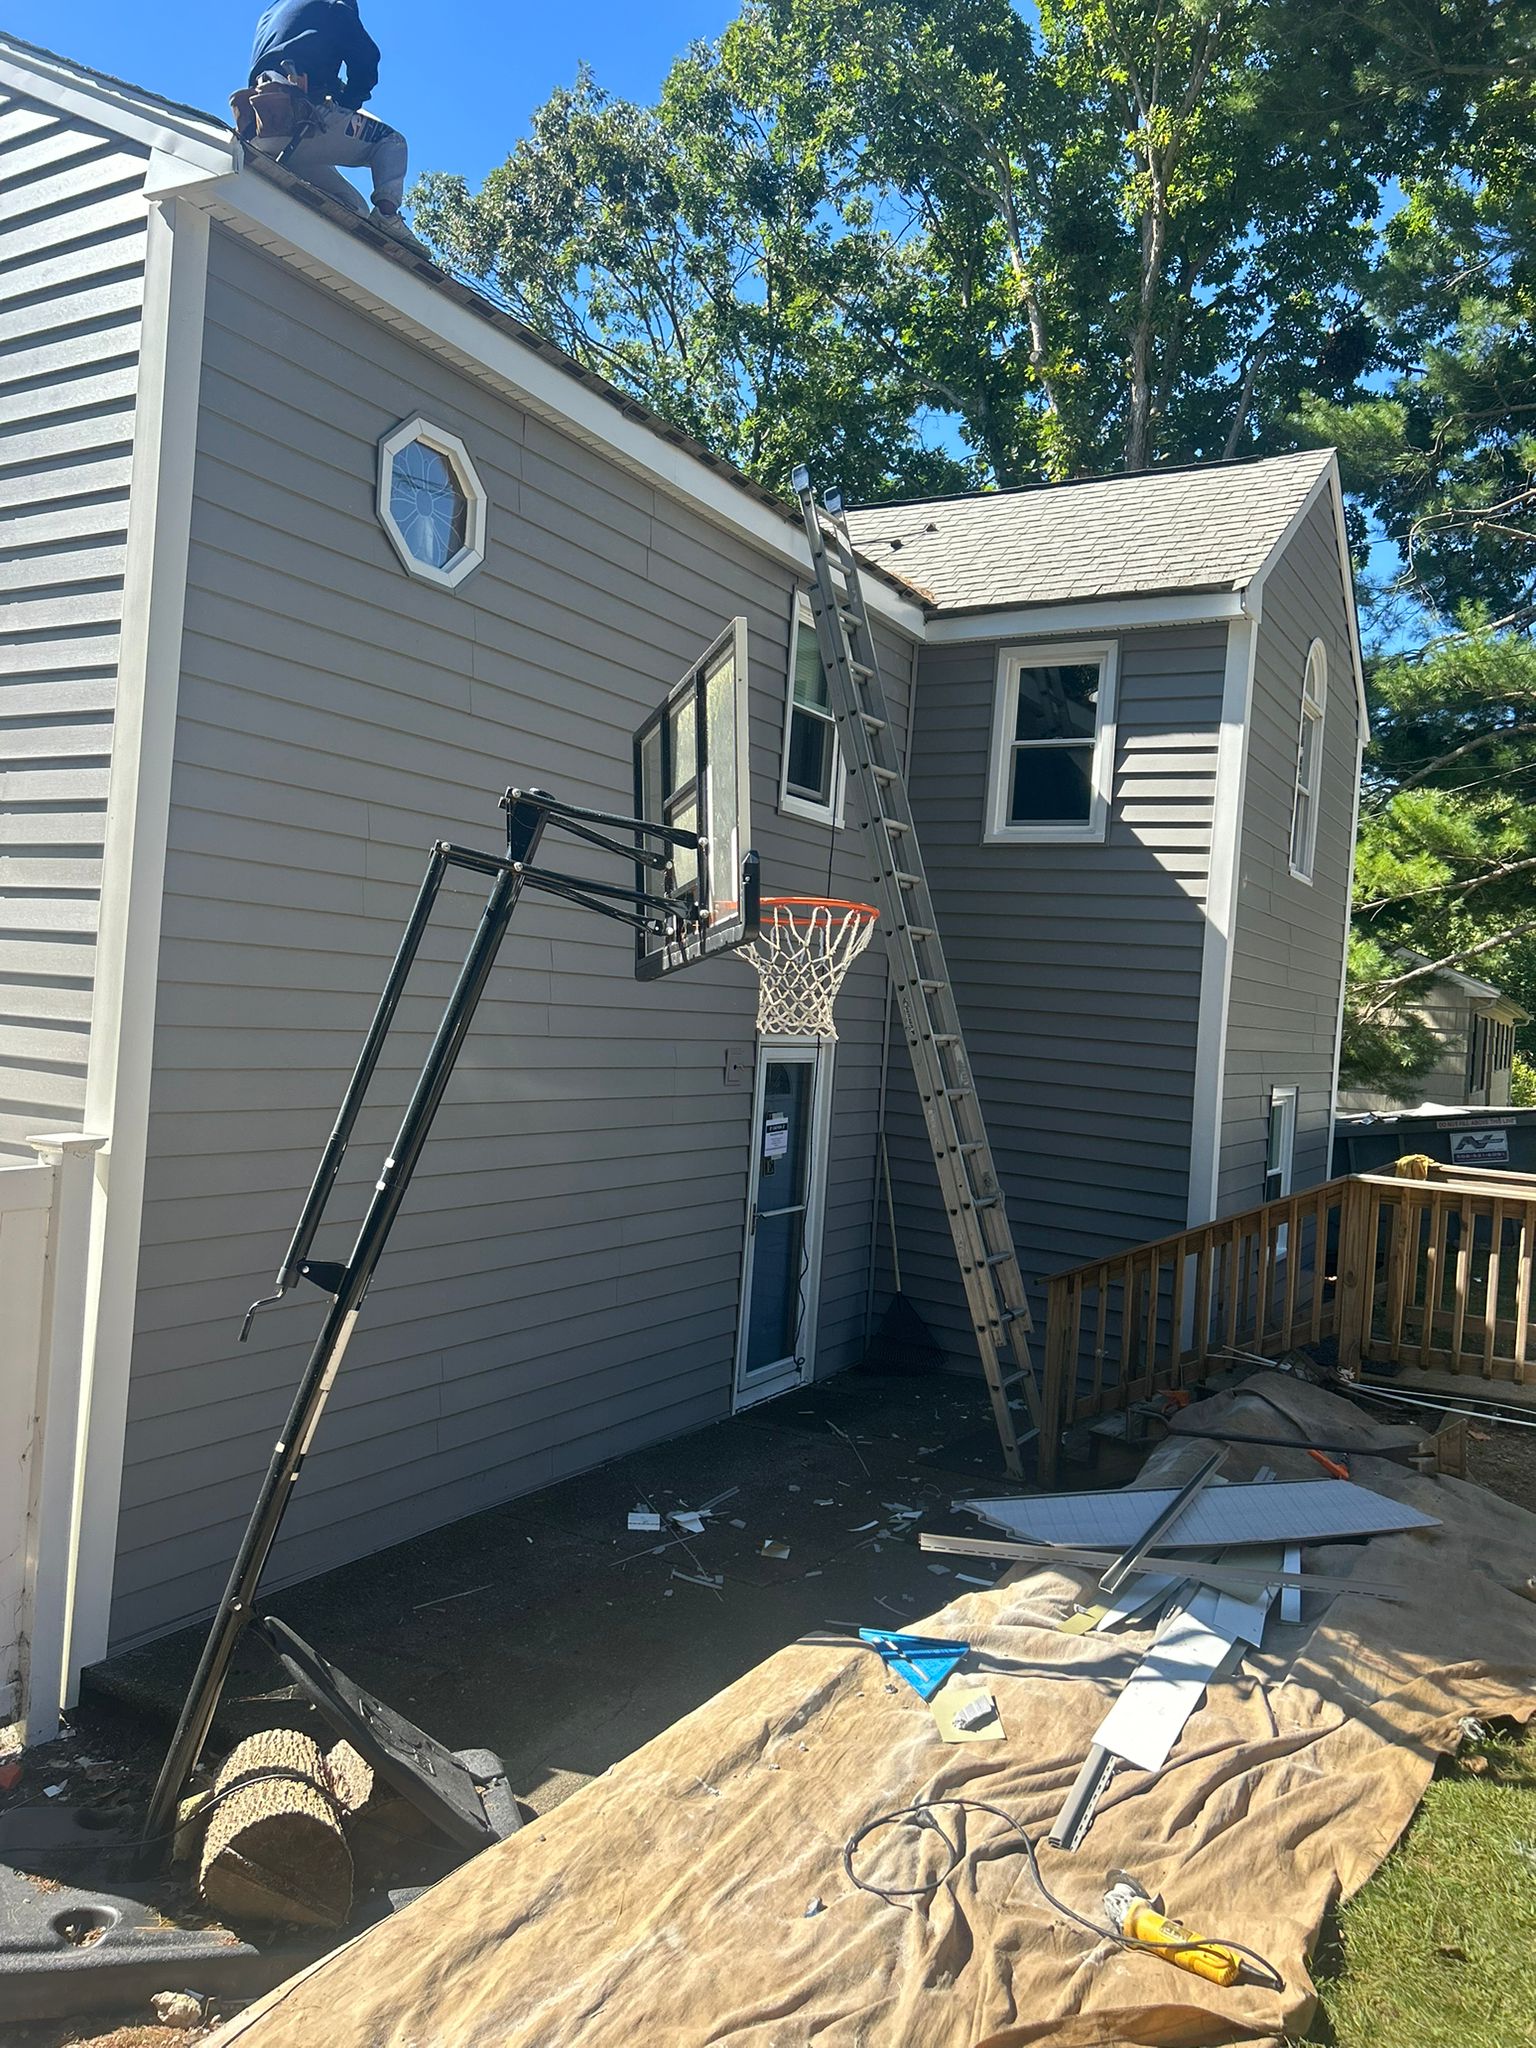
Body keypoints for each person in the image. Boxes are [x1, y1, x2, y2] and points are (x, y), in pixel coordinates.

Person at [238, 0, 420, 246]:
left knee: (354, 208)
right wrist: (349, 101)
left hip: (260, 128)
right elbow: (366, 60)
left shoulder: (272, 11)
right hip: (299, 122)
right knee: (392, 142)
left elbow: (294, 53)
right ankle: (388, 217)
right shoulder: (332, 5)